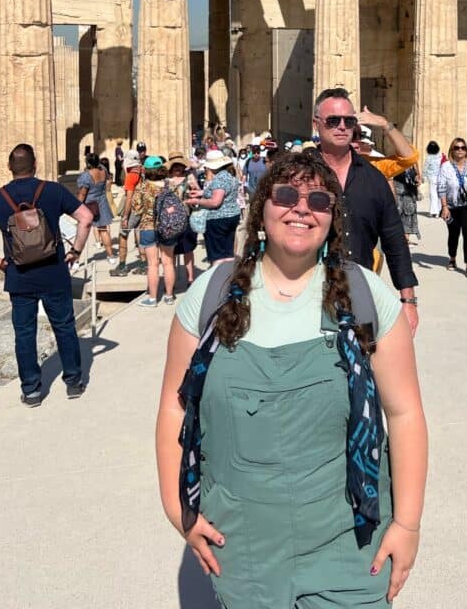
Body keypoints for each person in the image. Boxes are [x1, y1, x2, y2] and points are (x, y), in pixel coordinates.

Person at [155, 151, 428, 608]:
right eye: (286, 194)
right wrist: (176, 508)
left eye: (319, 200)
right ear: (261, 208)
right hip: (241, 546)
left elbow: (405, 414)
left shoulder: (365, 294)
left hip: (348, 544)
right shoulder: (213, 292)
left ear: (331, 219)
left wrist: (407, 524)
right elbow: (174, 407)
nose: (302, 208)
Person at [0, 143, 94, 406]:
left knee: (24, 334)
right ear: (36, 165)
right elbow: (86, 218)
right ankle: (74, 381)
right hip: (54, 273)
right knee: (65, 327)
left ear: (9, 168)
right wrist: (76, 250)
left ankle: (32, 390)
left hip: (19, 276)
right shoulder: (53, 190)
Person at [313, 87, 419, 334]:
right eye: (333, 120)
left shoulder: (374, 178)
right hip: (305, 291)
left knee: (363, 364)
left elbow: (395, 241)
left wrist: (409, 300)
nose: (342, 127)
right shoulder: (299, 172)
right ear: (316, 124)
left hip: (360, 290)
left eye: (349, 121)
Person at [437, 138, 467, 278]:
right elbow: (441, 187)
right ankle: (452, 258)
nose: (460, 150)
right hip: (452, 207)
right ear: (452, 150)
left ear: (466, 150)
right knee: (453, 234)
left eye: (463, 148)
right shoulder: (446, 166)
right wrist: (444, 207)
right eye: (457, 147)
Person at [186, 149, 241, 266]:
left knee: (218, 255)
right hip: (232, 216)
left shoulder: (219, 179)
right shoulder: (229, 176)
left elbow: (215, 202)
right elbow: (221, 193)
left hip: (218, 219)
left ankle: (217, 276)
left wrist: (198, 201)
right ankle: (228, 275)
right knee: (228, 251)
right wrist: (202, 193)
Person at [135, 156, 174, 308]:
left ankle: (152, 299)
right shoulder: (169, 186)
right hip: (167, 227)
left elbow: (136, 209)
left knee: (152, 264)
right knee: (168, 262)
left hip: (148, 226)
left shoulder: (143, 187)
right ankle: (169, 296)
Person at [163, 152, 199, 286]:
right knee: (170, 251)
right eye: (175, 165)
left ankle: (190, 278)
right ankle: (171, 279)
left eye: (180, 165)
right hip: (170, 220)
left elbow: (197, 192)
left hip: (186, 216)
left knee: (188, 249)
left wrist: (192, 194)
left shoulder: (189, 177)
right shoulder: (165, 180)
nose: (177, 168)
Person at [76, 153, 118, 264]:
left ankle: (76, 260)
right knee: (104, 230)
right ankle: (111, 255)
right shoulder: (103, 171)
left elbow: (82, 194)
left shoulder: (86, 176)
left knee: (81, 233)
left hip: (89, 204)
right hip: (102, 202)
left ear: (88, 163)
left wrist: (76, 208)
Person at [116, 150, 146, 276]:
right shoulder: (143, 171)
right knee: (139, 234)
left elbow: (129, 197)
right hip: (143, 206)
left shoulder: (131, 176)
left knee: (123, 235)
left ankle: (122, 266)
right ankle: (144, 264)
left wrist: (125, 217)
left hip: (133, 208)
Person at [394, 163, 422, 243]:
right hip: (397, 192)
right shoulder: (395, 161)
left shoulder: (412, 162)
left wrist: (417, 178)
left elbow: (416, 174)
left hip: (409, 192)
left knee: (409, 214)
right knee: (398, 214)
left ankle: (406, 238)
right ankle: (398, 237)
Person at [423, 141, 443, 217]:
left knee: (433, 194)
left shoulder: (428, 157)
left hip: (432, 178)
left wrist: (423, 177)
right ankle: (439, 211)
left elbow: (425, 168)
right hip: (440, 177)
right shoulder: (440, 156)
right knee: (439, 194)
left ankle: (434, 211)